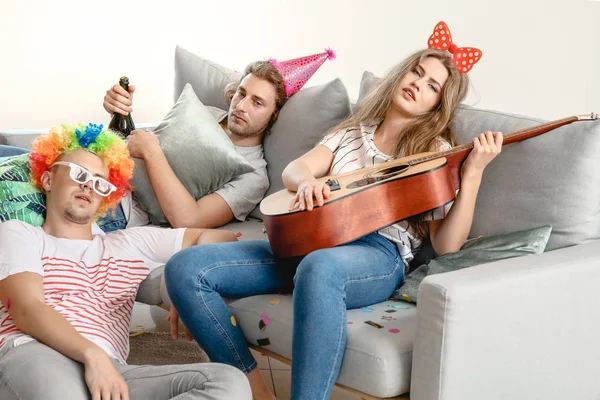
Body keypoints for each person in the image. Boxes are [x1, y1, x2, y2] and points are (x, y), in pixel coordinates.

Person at [163, 22, 503, 400]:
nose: (418, 84)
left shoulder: (433, 153)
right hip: (311, 241)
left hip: (374, 255)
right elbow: (296, 169)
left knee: (320, 267)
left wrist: (471, 175)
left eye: (432, 86)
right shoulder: (352, 131)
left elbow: (447, 246)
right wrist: (306, 182)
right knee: (186, 268)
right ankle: (255, 390)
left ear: (438, 104)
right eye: (417, 72)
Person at [0, 123, 252, 400]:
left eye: (99, 182)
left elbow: (222, 238)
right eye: (78, 173)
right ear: (47, 180)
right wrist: (91, 354)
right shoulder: (19, 233)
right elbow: (26, 308)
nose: (88, 184)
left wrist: (187, 280)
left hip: (113, 373)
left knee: (228, 382)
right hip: (37, 352)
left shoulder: (129, 243)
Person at [100, 50, 336, 231]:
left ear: (274, 114)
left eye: (257, 102)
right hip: (101, 171)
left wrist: (153, 153)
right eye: (241, 93)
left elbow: (189, 220)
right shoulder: (206, 113)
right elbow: (138, 143)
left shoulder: (253, 176)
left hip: (119, 208)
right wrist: (120, 112)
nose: (241, 106)